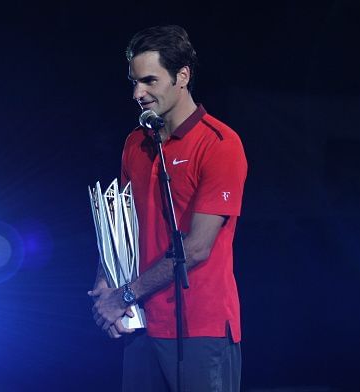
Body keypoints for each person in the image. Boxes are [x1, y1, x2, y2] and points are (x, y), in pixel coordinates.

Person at [88, 25, 247, 392]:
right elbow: (120, 225)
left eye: (148, 81)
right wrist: (105, 280)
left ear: (183, 76)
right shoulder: (135, 143)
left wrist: (123, 295)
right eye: (133, 82)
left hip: (199, 331)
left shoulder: (220, 144)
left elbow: (196, 248)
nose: (137, 93)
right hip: (142, 325)